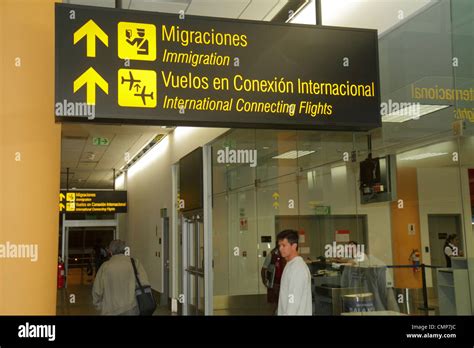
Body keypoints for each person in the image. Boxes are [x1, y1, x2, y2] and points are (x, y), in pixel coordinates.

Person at [92, 239, 151, 315]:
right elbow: (145, 284)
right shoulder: (135, 263)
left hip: (110, 310)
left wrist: (99, 306)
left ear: (110, 251)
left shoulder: (105, 267)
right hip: (131, 309)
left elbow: (97, 290)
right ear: (124, 249)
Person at [277, 230, 312, 315]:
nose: (280, 248)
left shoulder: (298, 268)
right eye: (279, 245)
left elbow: (293, 299)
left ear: (294, 246)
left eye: (284, 245)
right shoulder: (290, 264)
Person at [261, 243, 286, 313]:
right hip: (274, 284)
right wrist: (264, 281)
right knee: (273, 305)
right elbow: (263, 269)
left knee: (283, 304)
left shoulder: (285, 254)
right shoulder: (271, 255)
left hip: (283, 283)